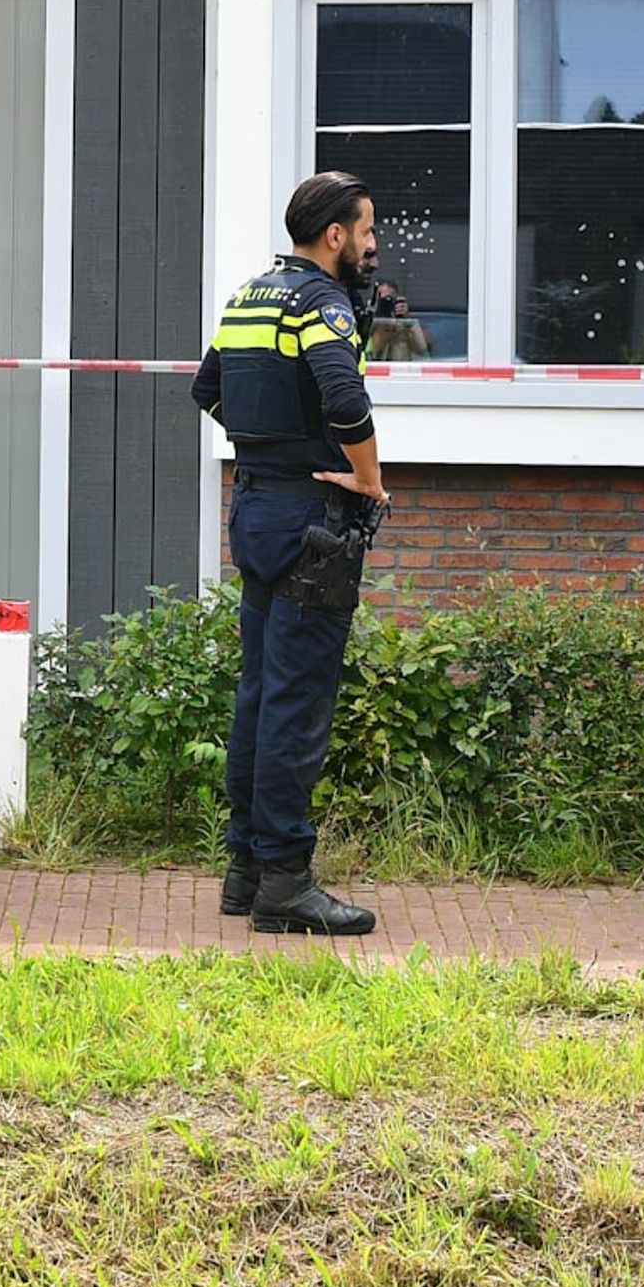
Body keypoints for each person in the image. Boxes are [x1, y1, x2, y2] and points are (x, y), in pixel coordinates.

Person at [191, 172, 390, 936]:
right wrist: (365, 478)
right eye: (366, 231)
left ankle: (246, 872)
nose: (373, 245)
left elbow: (209, 389)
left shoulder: (251, 295)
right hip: (313, 523)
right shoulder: (321, 303)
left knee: (260, 694)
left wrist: (269, 447)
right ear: (334, 235)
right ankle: (285, 883)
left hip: (256, 510)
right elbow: (345, 397)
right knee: (297, 705)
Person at [362, 278, 432, 365]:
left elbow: (426, 348)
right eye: (381, 301)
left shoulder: (406, 325)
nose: (385, 304)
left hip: (401, 370)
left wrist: (407, 320)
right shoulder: (367, 324)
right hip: (376, 369)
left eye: (389, 299)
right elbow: (375, 352)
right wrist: (381, 321)